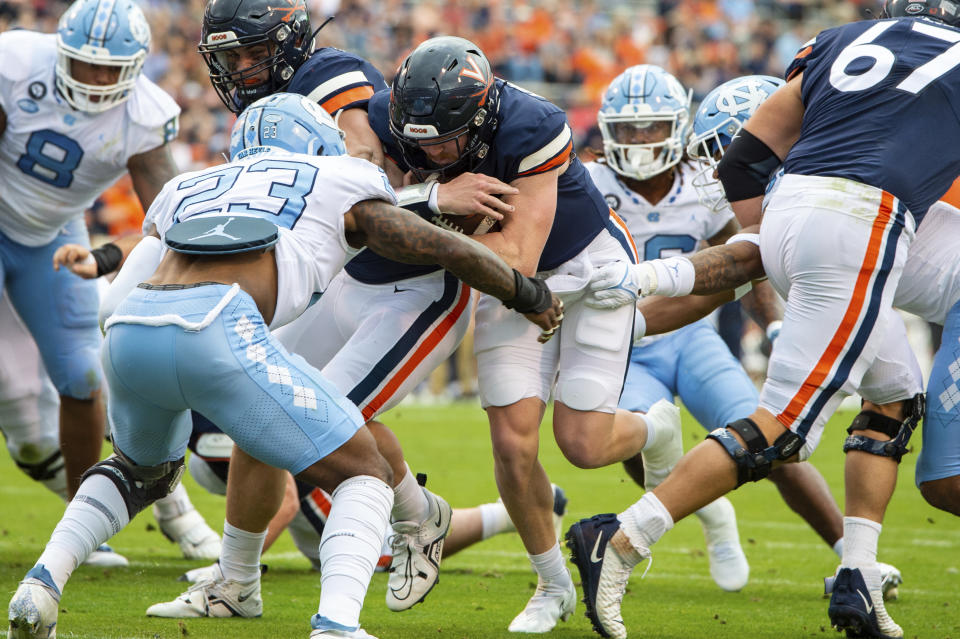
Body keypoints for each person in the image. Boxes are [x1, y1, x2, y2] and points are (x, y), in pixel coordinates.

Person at [7, 92, 562, 639]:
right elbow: (443, 248)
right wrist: (528, 294)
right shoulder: (339, 177)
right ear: (319, 144)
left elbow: (119, 296)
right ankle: (337, 625)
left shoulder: (188, 185)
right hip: (219, 327)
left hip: (131, 333)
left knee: (134, 472)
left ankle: (41, 583)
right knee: (363, 471)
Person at [568, 1, 960, 637]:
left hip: (799, 202)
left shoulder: (841, 39)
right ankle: (619, 539)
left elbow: (744, 159)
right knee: (783, 431)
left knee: (893, 396)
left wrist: (771, 243)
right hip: (867, 217)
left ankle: (857, 576)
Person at [179, 0, 525, 618]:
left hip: (416, 282)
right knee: (262, 402)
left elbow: (360, 177)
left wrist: (434, 195)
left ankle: (414, 526)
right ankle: (234, 586)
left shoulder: (325, 75)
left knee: (313, 421)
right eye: (228, 58)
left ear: (286, 42)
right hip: (350, 277)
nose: (239, 69)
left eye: (251, 53)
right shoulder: (270, 108)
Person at [372, 36, 684, 633]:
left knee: (583, 445)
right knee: (513, 447)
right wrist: (430, 196)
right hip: (499, 282)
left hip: (585, 267)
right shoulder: (404, 125)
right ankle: (552, 582)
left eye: (444, 135)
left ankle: (656, 427)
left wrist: (411, 226)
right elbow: (357, 210)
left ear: (482, 108)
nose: (431, 147)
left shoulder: (531, 124)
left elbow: (516, 253)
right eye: (419, 138)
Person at [0, 0, 179, 501]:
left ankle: (82, 524)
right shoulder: (14, 63)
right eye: (86, 63)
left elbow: (167, 220)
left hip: (55, 234)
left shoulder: (146, 116)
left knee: (81, 375)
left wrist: (102, 258)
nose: (98, 78)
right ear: (61, 53)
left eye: (111, 68)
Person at [162, 416, 569, 591]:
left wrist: (228, 568)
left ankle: (509, 513)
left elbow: (284, 501)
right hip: (292, 485)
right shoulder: (181, 390)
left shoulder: (222, 391)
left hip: (310, 487)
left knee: (384, 553)